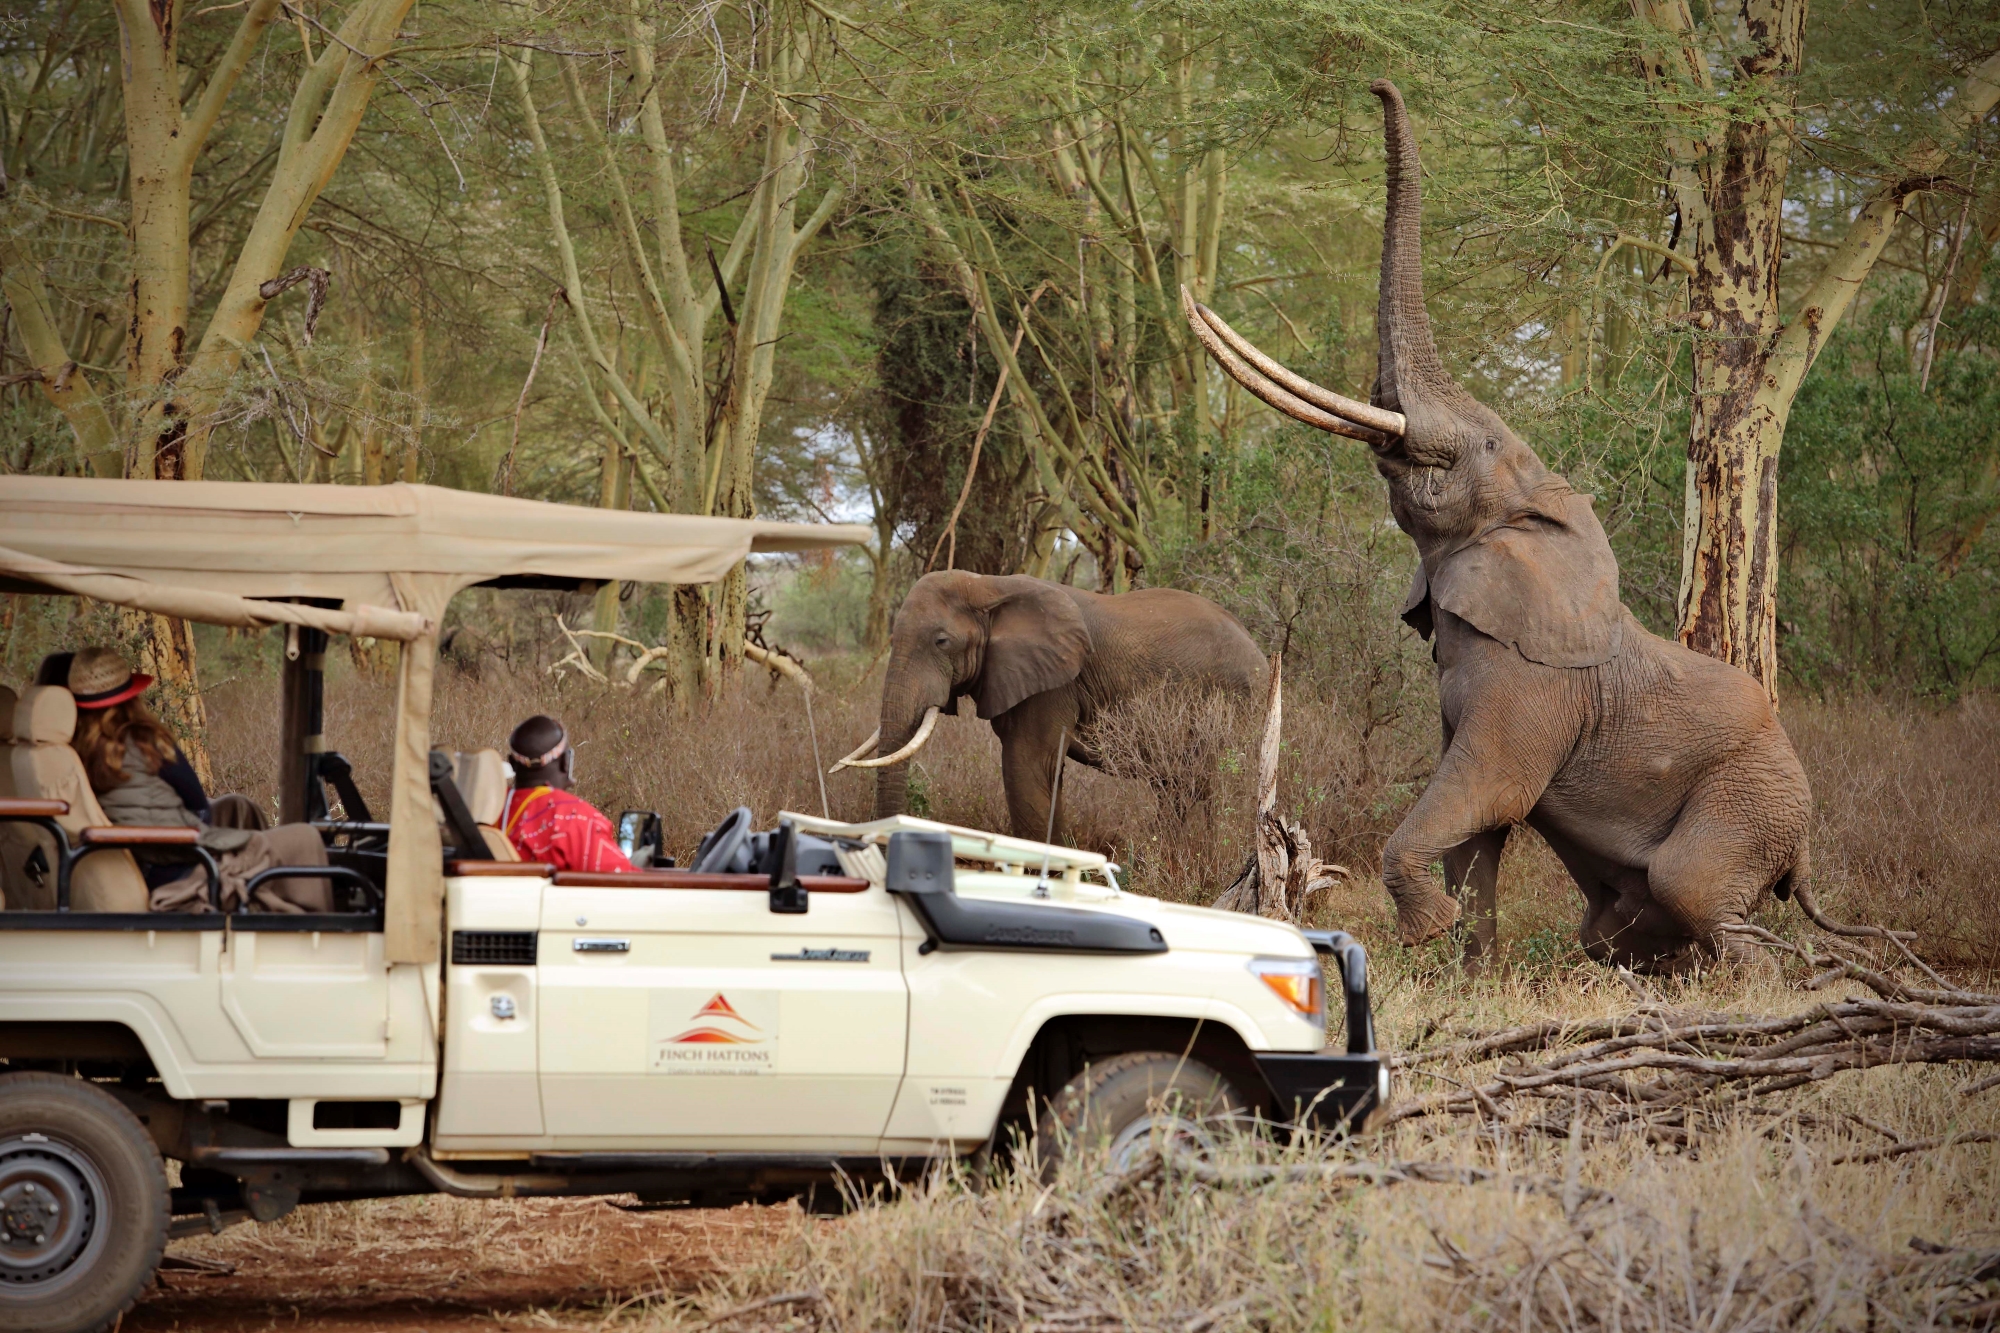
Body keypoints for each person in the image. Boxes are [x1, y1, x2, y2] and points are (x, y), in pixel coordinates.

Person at [66, 647, 330, 911]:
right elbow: (196, 801)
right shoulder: (145, 740)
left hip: (146, 860)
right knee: (304, 836)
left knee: (238, 805)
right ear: (130, 697)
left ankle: (266, 896)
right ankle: (315, 927)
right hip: (183, 864)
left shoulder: (72, 751)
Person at [501, 715, 634, 873]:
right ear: (566, 761)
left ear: (512, 763)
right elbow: (621, 878)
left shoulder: (487, 809)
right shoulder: (574, 817)